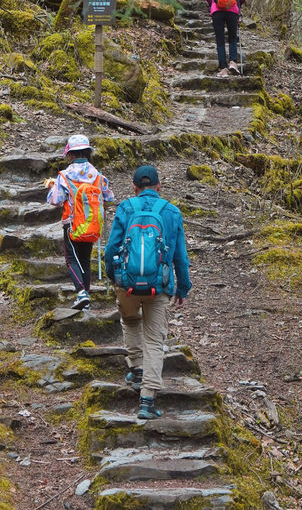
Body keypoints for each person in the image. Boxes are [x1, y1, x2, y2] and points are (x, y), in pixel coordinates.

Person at [104, 164, 192, 419]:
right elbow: (180, 258)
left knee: (130, 321)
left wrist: (115, 277)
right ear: (159, 186)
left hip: (127, 284)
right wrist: (182, 288)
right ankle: (147, 401)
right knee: (155, 341)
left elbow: (111, 250)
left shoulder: (125, 208)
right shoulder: (172, 212)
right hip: (159, 286)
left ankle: (137, 368)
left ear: (134, 187)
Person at [46, 134, 114, 310]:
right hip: (92, 224)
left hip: (72, 224)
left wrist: (51, 187)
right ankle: (86, 301)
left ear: (70, 155)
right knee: (84, 259)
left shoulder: (65, 175)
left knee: (71, 259)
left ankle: (81, 293)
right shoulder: (98, 175)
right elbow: (109, 197)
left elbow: (55, 200)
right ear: (88, 153)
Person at [204, 0, 247, 77]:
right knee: (233, 38)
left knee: (220, 40)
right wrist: (239, 3)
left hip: (217, 12)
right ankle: (233, 62)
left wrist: (213, 3)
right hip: (232, 11)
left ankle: (223, 69)